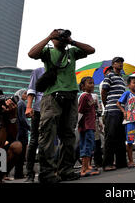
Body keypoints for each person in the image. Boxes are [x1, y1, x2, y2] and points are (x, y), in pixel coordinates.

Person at [28, 28, 95, 183]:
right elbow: (31, 53)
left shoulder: (71, 52)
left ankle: (66, 170)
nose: (62, 38)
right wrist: (49, 37)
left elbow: (91, 50)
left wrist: (71, 41)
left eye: (64, 35)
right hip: (52, 97)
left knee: (69, 135)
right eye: (59, 36)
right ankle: (47, 173)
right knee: (48, 135)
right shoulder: (47, 51)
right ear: (53, 39)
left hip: (71, 96)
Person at [101, 57, 128, 171]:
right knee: (110, 137)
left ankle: (121, 162)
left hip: (121, 111)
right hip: (111, 110)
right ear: (113, 64)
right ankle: (107, 164)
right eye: (118, 62)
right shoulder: (109, 76)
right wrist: (106, 104)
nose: (120, 64)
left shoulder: (122, 78)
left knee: (121, 137)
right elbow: (103, 92)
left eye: (121, 62)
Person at [24, 67, 45, 183]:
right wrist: (28, 107)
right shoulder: (38, 71)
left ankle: (45, 172)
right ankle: (29, 174)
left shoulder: (59, 70)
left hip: (53, 110)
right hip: (38, 110)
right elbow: (31, 90)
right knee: (33, 141)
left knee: (48, 141)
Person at [78, 77, 100, 177]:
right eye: (89, 83)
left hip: (90, 125)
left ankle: (87, 167)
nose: (92, 85)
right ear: (83, 86)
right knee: (86, 146)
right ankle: (84, 169)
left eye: (93, 83)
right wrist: (77, 124)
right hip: (86, 125)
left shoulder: (90, 96)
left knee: (89, 146)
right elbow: (80, 111)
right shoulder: (84, 96)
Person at [14, 89, 29, 179]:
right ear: (20, 94)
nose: (26, 95)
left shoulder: (19, 103)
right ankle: (18, 174)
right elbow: (22, 119)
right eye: (25, 93)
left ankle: (18, 173)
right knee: (21, 154)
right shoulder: (22, 103)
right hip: (22, 132)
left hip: (19, 132)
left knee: (20, 154)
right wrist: (30, 127)